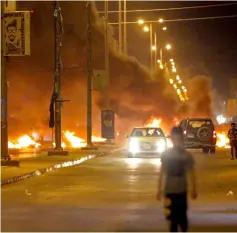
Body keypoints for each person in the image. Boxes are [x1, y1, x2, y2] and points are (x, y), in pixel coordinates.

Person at [157, 126, 197, 232]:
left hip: (181, 190)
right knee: (171, 219)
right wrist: (159, 189)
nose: (176, 142)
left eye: (178, 139)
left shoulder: (186, 155)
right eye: (174, 139)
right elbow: (162, 172)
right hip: (169, 191)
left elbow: (191, 172)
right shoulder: (166, 154)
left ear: (182, 139)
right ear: (171, 139)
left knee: (182, 218)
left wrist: (194, 189)